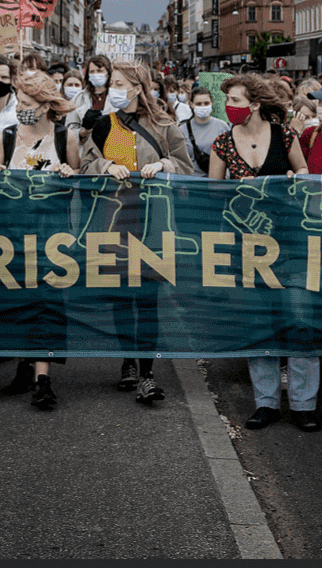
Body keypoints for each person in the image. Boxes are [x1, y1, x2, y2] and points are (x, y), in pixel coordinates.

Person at [80, 60, 195, 405]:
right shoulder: (102, 125)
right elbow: (85, 165)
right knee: (120, 296)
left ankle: (146, 371)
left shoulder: (163, 126)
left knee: (147, 299)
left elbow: (186, 169)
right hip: (115, 219)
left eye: (118, 83)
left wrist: (163, 165)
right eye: (111, 82)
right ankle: (127, 361)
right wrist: (106, 165)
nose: (111, 88)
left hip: (154, 222)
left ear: (136, 87)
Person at [210, 74, 317, 431]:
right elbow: (212, 195)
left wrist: (293, 180)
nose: (230, 107)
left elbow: (302, 171)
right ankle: (266, 402)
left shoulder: (284, 135)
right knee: (260, 321)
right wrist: (232, 192)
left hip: (289, 240)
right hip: (247, 245)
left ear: (254, 105)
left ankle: (304, 404)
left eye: (236, 101)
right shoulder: (222, 144)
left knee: (300, 319)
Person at [0, 70, 81, 410]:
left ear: (44, 106)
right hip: (13, 235)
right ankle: (24, 364)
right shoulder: (6, 136)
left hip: (52, 236)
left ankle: (44, 378)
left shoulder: (65, 138)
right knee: (20, 303)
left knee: (48, 305)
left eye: (26, 103)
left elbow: (77, 186)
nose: (19, 108)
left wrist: (69, 175)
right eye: (18, 102)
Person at [181, 86, 228, 170]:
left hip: (217, 180)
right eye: (198, 104)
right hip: (191, 179)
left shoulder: (222, 126)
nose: (203, 106)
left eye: (206, 103)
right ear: (191, 104)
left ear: (212, 103)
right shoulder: (182, 129)